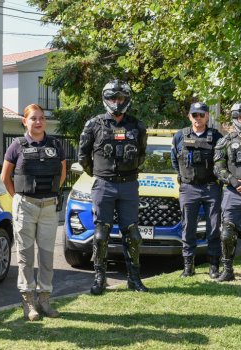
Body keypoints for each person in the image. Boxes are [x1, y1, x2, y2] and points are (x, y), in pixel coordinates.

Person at [78, 79, 148, 295]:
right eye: (112, 98)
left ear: (127, 99)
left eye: (121, 98)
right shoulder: (94, 125)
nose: (117, 102)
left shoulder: (137, 126)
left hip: (128, 185)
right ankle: (100, 280)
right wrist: (101, 174)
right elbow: (83, 156)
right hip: (104, 185)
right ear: (105, 99)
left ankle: (134, 280)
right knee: (100, 234)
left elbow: (142, 155)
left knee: (133, 235)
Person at [1, 104, 66, 321]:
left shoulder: (56, 145)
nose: (38, 122)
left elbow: (62, 174)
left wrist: (50, 194)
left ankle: (45, 300)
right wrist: (19, 199)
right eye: (33, 119)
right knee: (26, 257)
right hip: (25, 206)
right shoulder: (16, 146)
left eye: (41, 118)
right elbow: (5, 178)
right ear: (25, 121)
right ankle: (28, 302)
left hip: (48, 207)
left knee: (47, 257)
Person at [171, 102, 223, 278]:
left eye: (201, 115)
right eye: (195, 115)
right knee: (188, 228)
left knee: (214, 227)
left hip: (211, 187)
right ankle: (188, 266)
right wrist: (184, 178)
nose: (198, 118)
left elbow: (221, 161)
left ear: (207, 116)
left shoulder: (216, 137)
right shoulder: (180, 136)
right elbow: (174, 160)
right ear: (189, 116)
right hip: (189, 188)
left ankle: (214, 266)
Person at [214, 100, 241, 282]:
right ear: (235, 118)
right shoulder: (226, 141)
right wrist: (233, 181)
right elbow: (218, 166)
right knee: (227, 233)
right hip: (233, 192)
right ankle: (228, 270)